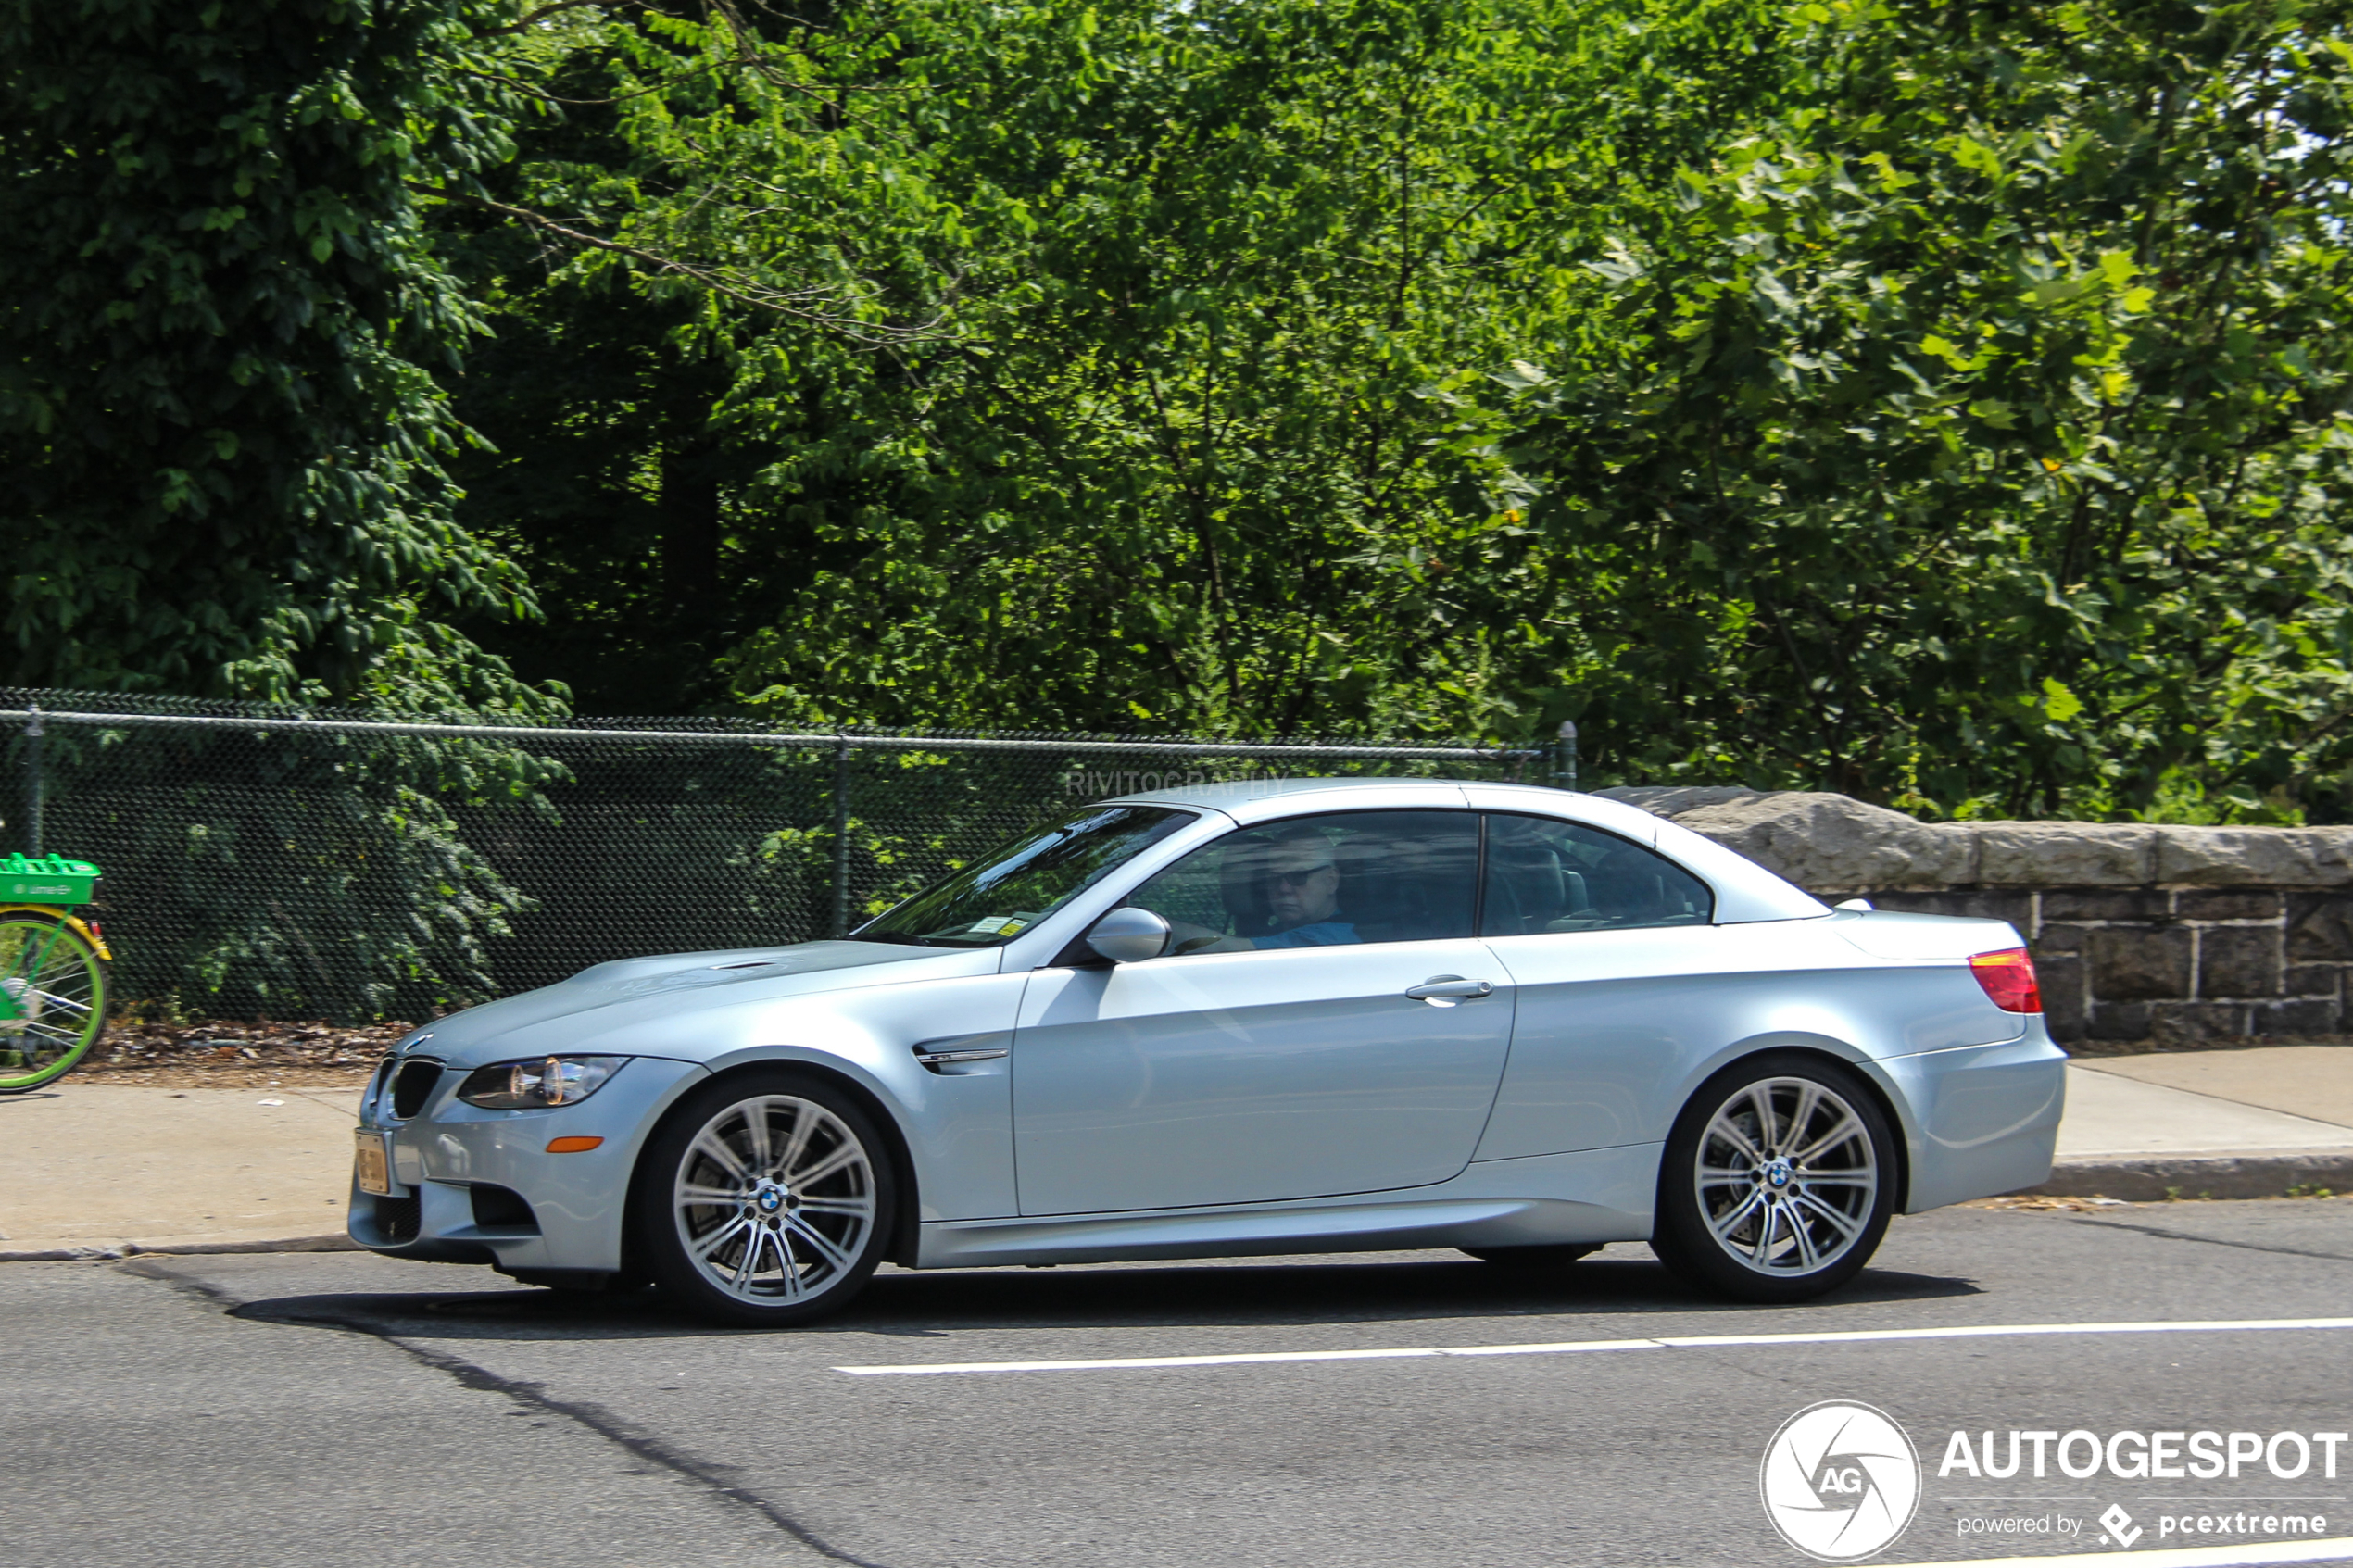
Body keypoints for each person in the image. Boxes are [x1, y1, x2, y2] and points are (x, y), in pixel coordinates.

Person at [1162, 824, 1362, 953]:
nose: (1283, 888)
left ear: (1331, 881)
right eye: (1274, 878)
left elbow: (1234, 952)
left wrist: (1159, 927)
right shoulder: (1274, 933)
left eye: (1298, 877)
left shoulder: (1333, 940)